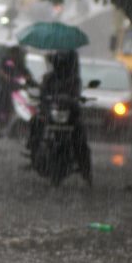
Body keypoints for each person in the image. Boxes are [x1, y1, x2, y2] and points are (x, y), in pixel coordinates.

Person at [29, 49, 91, 182]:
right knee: (35, 122)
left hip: (70, 117)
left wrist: (68, 100)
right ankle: (34, 152)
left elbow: (76, 96)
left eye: (62, 64)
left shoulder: (74, 80)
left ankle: (85, 170)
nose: (60, 67)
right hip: (50, 114)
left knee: (80, 139)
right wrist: (45, 103)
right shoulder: (48, 78)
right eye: (58, 64)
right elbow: (42, 96)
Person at [0, 45, 35, 126]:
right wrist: (5, 76)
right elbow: (0, 70)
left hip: (15, 85)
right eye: (14, 53)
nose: (15, 55)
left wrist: (28, 77)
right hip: (4, 84)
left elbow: (25, 71)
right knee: (2, 98)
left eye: (17, 53)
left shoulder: (18, 62)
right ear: (11, 53)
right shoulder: (5, 59)